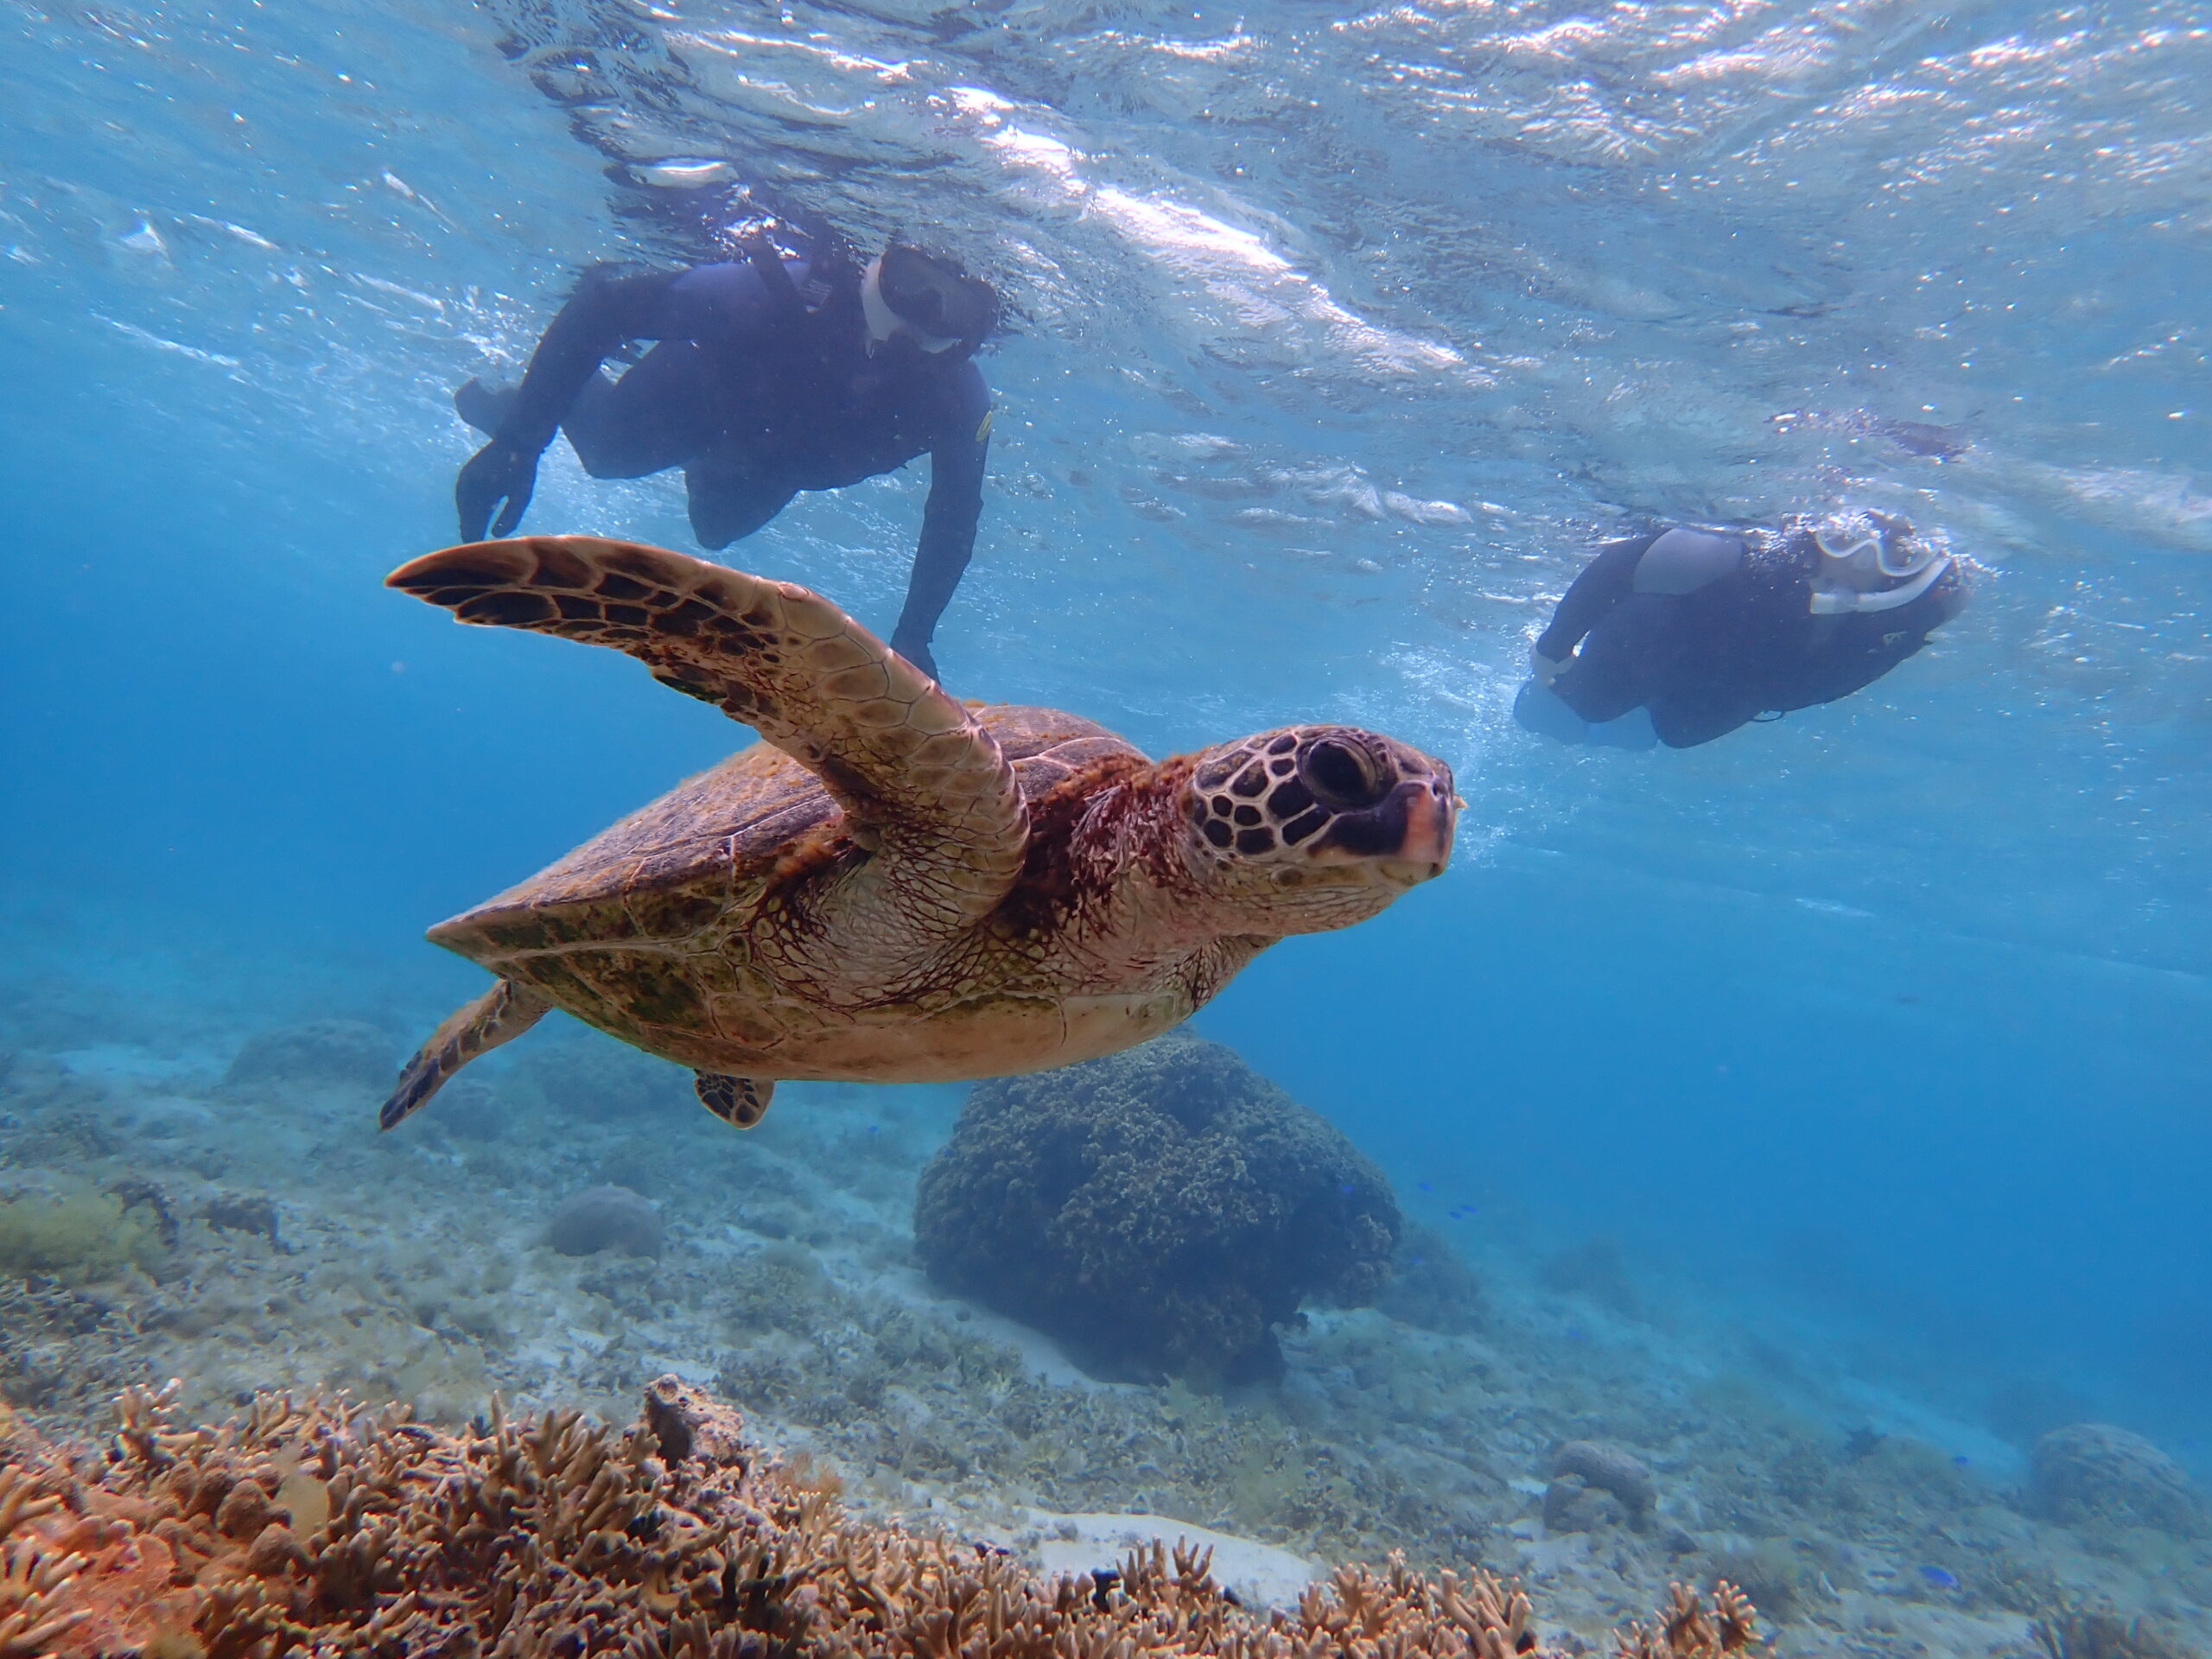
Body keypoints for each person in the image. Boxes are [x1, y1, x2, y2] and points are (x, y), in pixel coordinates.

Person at [453, 232, 998, 681]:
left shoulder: (956, 400)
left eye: (956, 310)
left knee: (714, 530)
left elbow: (954, 513)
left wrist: (914, 634)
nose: (927, 314)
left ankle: (532, 403)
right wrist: (520, 441)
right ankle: (515, 400)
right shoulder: (766, 292)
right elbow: (602, 307)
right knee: (604, 454)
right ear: (880, 267)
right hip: (686, 405)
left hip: (772, 465)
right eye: (914, 285)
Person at [1513, 508, 1967, 750]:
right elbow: (1622, 564)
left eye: (1892, 553)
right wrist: (1553, 648)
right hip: (1664, 642)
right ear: (1817, 535)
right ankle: (1568, 698)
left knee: (1678, 735)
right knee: (1585, 710)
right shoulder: (1745, 559)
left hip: (1737, 681)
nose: (1856, 563)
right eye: (1844, 540)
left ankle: (1630, 720)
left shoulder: (1901, 616)